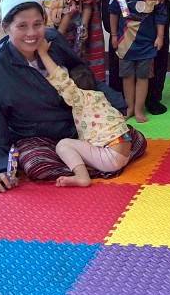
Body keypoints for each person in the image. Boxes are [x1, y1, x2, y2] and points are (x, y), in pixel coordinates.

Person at [0, 0, 144, 192]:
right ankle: (99, 164)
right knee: (36, 164)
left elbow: (83, 75)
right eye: (22, 26)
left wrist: (115, 104)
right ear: (6, 27)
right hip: (35, 134)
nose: (31, 33)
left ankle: (89, 163)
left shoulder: (53, 40)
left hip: (77, 125)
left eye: (37, 24)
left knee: (133, 138)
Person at [34, 43, 139, 187]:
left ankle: (82, 176)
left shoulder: (79, 98)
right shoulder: (100, 96)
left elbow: (61, 80)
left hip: (110, 157)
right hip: (125, 152)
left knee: (63, 145)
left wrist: (43, 54)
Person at [108, 0, 168, 124]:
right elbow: (113, 13)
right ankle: (129, 107)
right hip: (125, 44)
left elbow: (161, 16)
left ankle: (140, 108)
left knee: (143, 77)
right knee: (127, 77)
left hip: (147, 45)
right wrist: (113, 35)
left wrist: (160, 36)